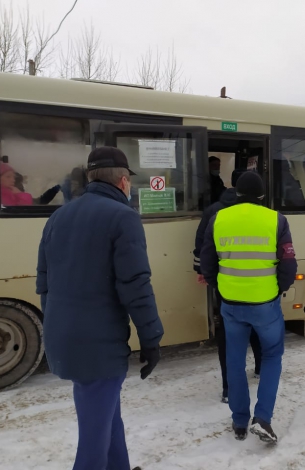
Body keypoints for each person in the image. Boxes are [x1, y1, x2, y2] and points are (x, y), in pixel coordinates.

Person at [36, 146, 164, 470]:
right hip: (98, 346)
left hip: (67, 338)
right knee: (93, 439)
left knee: (107, 417)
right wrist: (151, 339)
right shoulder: (123, 217)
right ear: (123, 181)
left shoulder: (58, 217)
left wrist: (56, 330)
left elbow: (44, 284)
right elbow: (136, 286)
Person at [200, 171, 297, 443]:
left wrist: (220, 288)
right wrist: (279, 289)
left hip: (231, 303)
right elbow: (289, 264)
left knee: (234, 360)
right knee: (271, 356)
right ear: (262, 195)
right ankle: (263, 418)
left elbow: (207, 262)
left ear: (237, 193)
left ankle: (239, 421)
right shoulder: (276, 219)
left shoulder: (219, 218)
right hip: (265, 303)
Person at [193, 169, 262, 403]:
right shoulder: (265, 215)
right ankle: (261, 367)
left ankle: (228, 388)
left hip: (227, 287)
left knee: (229, 336)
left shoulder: (214, 211)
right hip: (258, 287)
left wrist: (208, 276)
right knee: (257, 327)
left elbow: (202, 246)